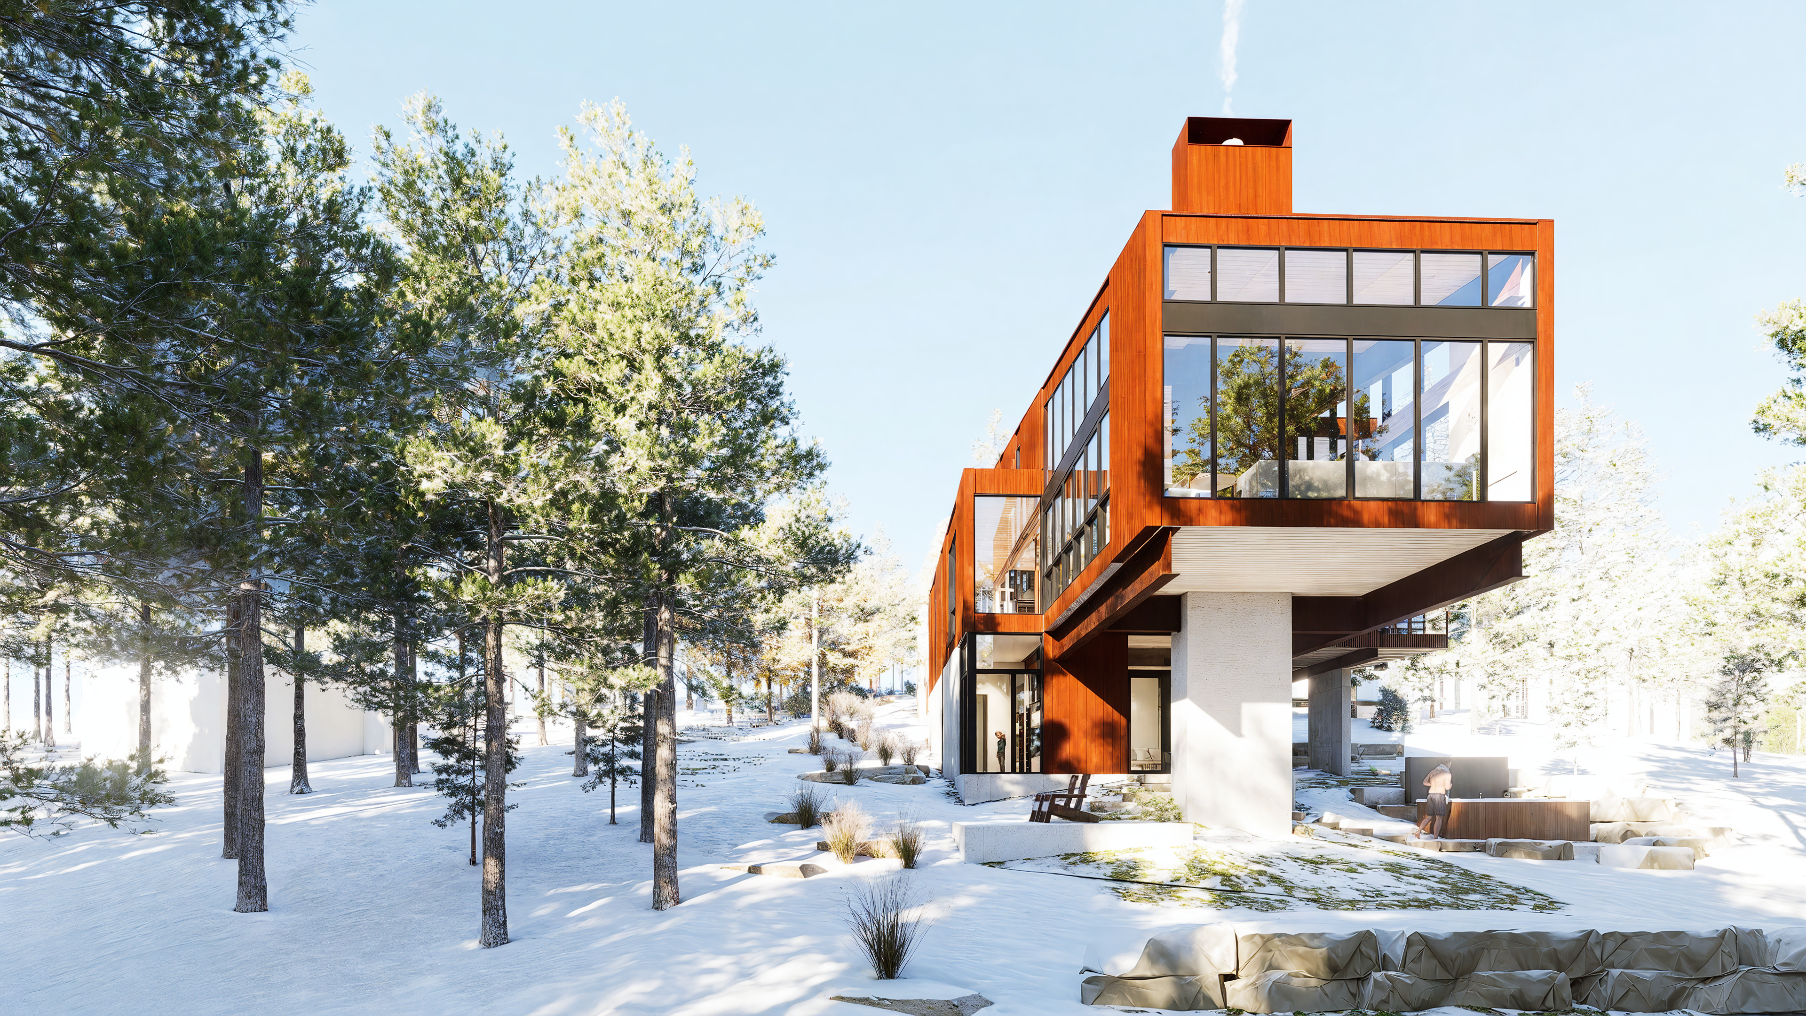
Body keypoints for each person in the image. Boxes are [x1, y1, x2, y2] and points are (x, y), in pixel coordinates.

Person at [1418, 763, 1453, 838]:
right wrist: (1449, 786)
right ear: (1448, 763)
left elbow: (1424, 782)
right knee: (1439, 818)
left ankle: (1418, 831)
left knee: (1428, 817)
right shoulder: (1447, 773)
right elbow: (1447, 787)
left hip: (1430, 795)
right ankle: (1435, 837)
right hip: (1439, 795)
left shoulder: (1433, 771)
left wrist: (1434, 784)